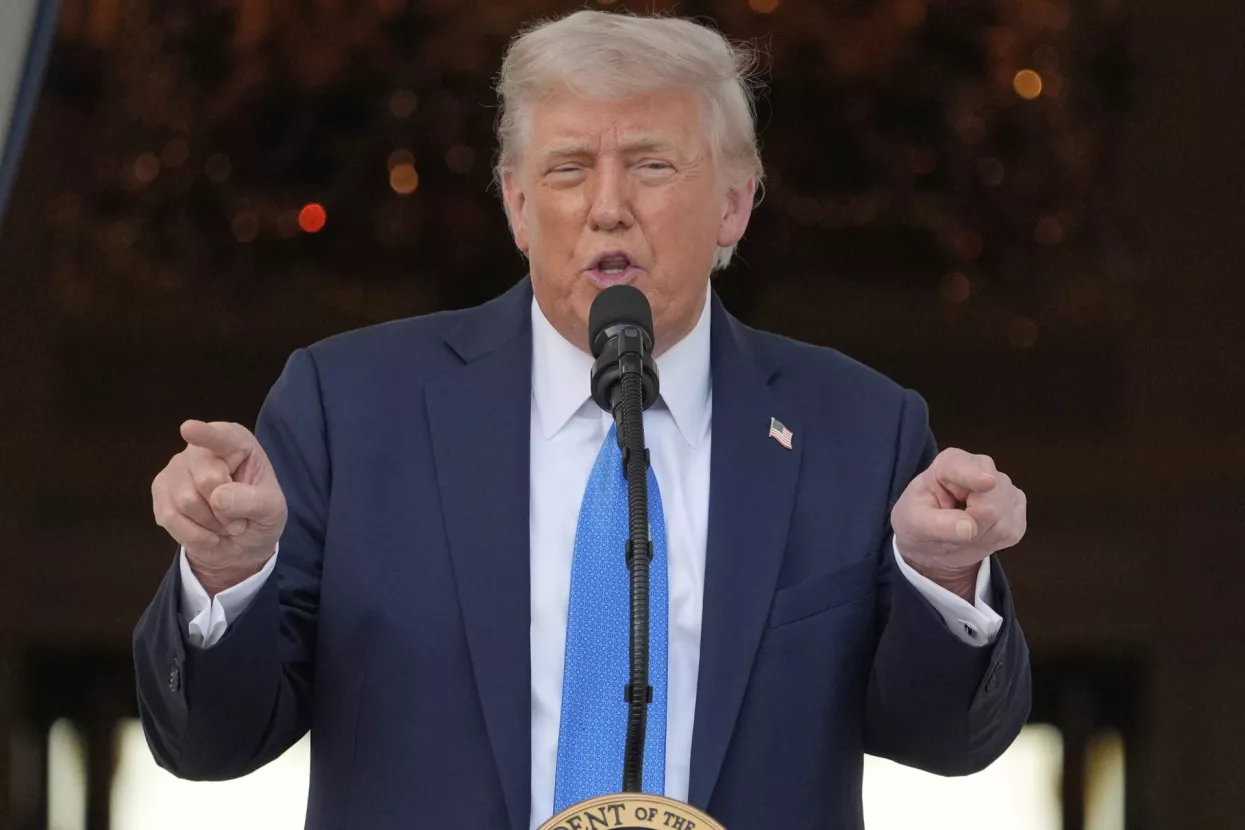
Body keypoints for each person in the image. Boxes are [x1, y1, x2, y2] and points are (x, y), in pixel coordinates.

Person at [135, 10, 1030, 830]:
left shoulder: (857, 428)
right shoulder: (351, 406)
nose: (608, 206)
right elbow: (214, 743)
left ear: (733, 203)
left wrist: (944, 580)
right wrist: (226, 573)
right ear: (518, 206)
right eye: (568, 170)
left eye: (650, 164)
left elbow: (947, 743)